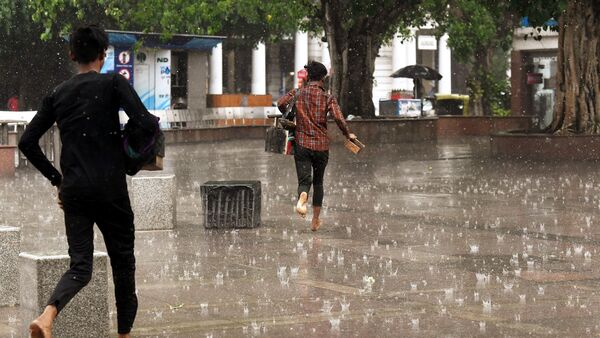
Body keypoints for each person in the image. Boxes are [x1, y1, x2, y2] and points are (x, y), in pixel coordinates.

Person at [18, 25, 151, 338]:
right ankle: (124, 334)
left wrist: (57, 179)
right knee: (122, 264)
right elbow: (144, 122)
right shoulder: (113, 84)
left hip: (75, 191)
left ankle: (47, 316)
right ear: (104, 55)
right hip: (110, 189)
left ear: (72, 55)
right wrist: (128, 157)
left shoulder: (58, 94)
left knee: (80, 266)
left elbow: (27, 142)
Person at [277, 61, 357, 232]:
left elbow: (281, 103)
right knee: (319, 182)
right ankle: (315, 220)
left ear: (309, 76)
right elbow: (339, 118)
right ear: (322, 78)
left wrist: (291, 112)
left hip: (302, 143)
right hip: (321, 146)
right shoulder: (327, 97)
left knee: (304, 180)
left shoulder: (298, 93)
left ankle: (302, 198)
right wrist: (347, 133)